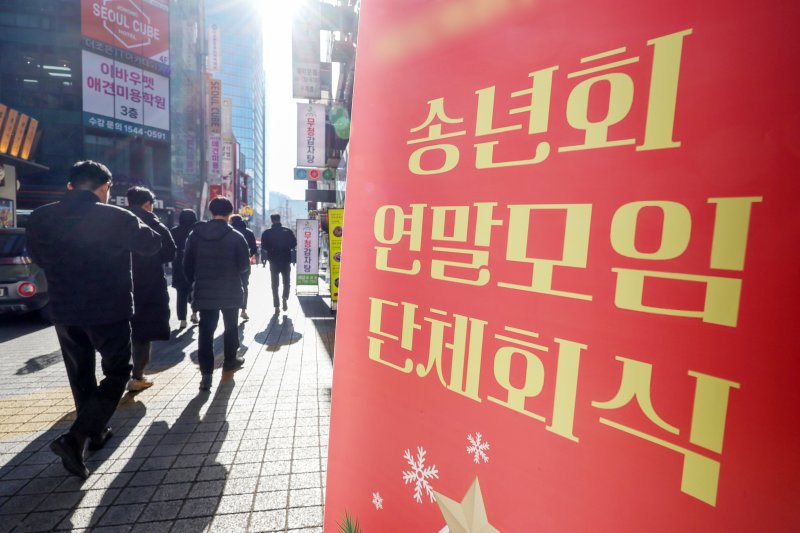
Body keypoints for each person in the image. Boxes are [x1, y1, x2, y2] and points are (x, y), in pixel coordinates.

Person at [25, 160, 161, 479]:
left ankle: (95, 433)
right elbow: (152, 245)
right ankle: (77, 437)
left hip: (64, 309)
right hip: (108, 309)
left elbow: (38, 257)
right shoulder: (117, 216)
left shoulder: (42, 217)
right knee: (117, 371)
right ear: (105, 187)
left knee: (80, 374)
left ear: (70, 185)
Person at [183, 197, 251, 391]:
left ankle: (206, 375)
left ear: (211, 212)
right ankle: (230, 361)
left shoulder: (195, 235)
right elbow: (244, 266)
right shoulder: (236, 236)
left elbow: (186, 264)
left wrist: (195, 282)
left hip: (204, 290)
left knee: (206, 331)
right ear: (230, 213)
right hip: (230, 288)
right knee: (230, 327)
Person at [126, 186, 176, 391]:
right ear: (147, 204)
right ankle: (137, 376)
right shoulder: (156, 225)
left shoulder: (114, 221)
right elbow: (170, 252)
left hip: (117, 283)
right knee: (142, 332)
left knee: (119, 330)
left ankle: (115, 375)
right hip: (148, 283)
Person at [261, 213, 297, 314]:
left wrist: (271, 249)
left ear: (272, 220)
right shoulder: (288, 231)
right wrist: (286, 247)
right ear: (279, 219)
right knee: (286, 281)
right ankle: (285, 297)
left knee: (274, 284)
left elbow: (263, 246)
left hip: (273, 261)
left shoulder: (267, 233)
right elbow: (294, 243)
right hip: (286, 260)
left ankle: (276, 306)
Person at [170, 209, 200, 328]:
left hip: (178, 266)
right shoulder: (197, 231)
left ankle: (182, 320)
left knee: (181, 294)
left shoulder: (174, 231)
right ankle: (194, 314)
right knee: (195, 292)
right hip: (194, 265)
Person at [230, 215, 258, 320]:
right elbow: (254, 248)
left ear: (231, 221)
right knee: (244, 286)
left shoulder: (229, 231)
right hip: (245, 263)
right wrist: (248, 255)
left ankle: (232, 309)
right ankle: (243, 310)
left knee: (230, 286)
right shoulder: (249, 232)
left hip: (229, 264)